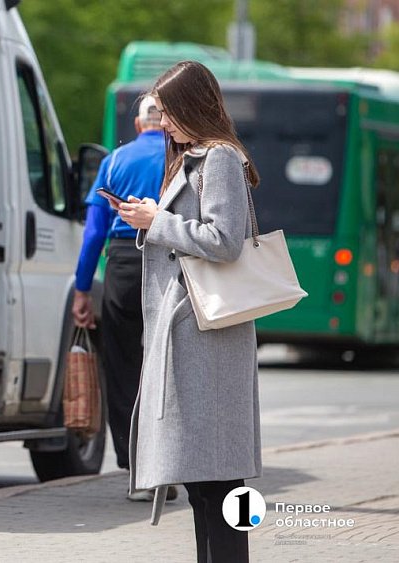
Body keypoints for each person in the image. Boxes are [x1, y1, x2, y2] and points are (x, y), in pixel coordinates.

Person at [116, 60, 261, 563]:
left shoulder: (219, 157)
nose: (162, 122)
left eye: (169, 111)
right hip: (190, 333)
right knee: (203, 484)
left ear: (194, 106)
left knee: (218, 483)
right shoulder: (190, 158)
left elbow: (224, 242)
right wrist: (149, 219)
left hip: (208, 334)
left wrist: (158, 221)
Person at [72, 95, 169, 502]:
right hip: (170, 260)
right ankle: (168, 466)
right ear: (166, 122)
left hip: (124, 266)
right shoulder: (181, 158)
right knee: (166, 368)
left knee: (123, 365)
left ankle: (135, 471)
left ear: (137, 124)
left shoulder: (114, 162)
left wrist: (82, 288)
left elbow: (94, 232)